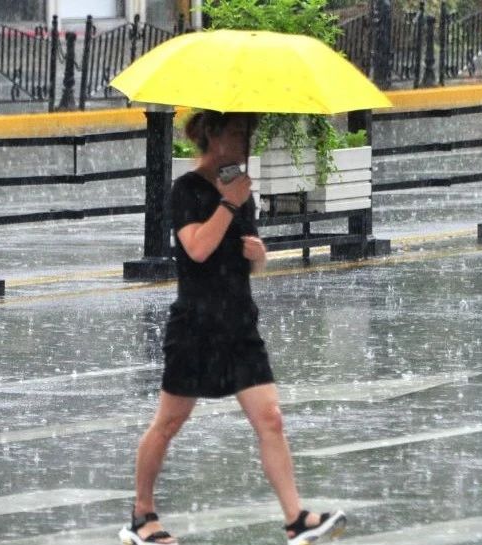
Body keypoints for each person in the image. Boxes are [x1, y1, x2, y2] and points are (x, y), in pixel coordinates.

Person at [119, 111, 347, 545]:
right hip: (197, 327)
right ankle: (141, 514)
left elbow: (252, 260)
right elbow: (198, 249)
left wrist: (258, 253)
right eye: (237, 132)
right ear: (210, 134)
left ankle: (296, 518)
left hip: (239, 323)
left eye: (248, 134)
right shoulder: (188, 190)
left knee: (271, 419)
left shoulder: (242, 189)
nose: (244, 142)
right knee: (168, 423)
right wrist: (227, 203)